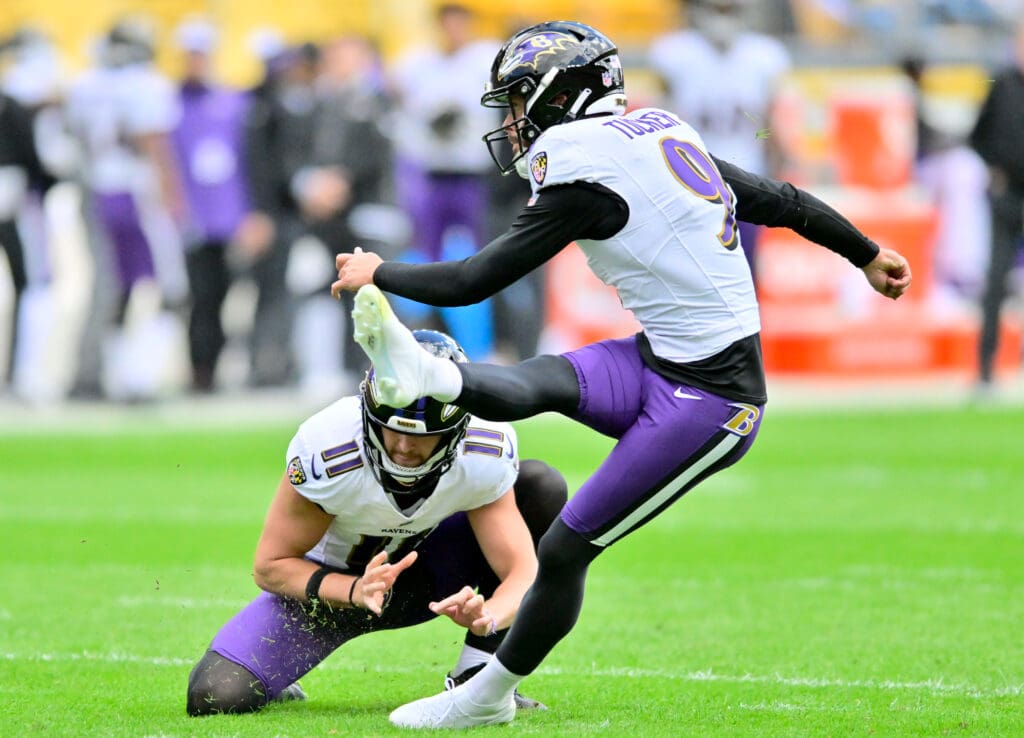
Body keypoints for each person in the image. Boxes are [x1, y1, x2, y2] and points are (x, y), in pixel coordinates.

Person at [331, 21, 912, 729]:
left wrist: (378, 271)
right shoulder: (658, 134)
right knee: (542, 380)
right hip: (657, 358)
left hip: (712, 401)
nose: (511, 121)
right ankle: (434, 377)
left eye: (518, 101)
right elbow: (780, 199)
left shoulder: (584, 174)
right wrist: (865, 250)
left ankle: (486, 700)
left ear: (560, 94)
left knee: (566, 548)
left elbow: (475, 278)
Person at [186, 329, 566, 716]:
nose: (402, 448)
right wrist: (353, 590)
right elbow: (270, 566)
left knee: (540, 488)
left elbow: (522, 570)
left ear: (454, 429)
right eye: (393, 429)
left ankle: (476, 672)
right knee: (215, 695)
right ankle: (279, 675)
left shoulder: (484, 448)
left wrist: (489, 616)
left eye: (421, 437)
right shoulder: (329, 447)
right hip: (326, 595)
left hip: (427, 580)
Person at [649, 0, 792, 281]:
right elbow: (661, 120)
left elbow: (767, 124)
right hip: (690, 182)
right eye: (717, 9)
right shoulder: (674, 53)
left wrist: (777, 169)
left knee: (745, 271)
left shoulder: (763, 56)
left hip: (748, 180)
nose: (722, 19)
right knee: (694, 274)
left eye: (730, 10)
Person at [169, 17, 252, 393]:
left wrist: (248, 214)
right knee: (197, 299)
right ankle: (199, 371)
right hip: (189, 220)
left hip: (228, 219)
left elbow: (250, 162)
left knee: (223, 297)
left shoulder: (233, 102)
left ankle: (215, 368)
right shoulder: (171, 103)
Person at [969, 21, 1024, 393]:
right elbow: (978, 136)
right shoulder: (1001, 84)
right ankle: (986, 370)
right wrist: (995, 169)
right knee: (995, 283)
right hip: (1008, 198)